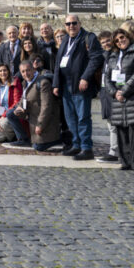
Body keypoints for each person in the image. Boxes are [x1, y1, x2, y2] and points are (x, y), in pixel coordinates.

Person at [52, 14, 103, 161]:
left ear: (80, 24)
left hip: (80, 84)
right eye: (68, 24)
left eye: (74, 23)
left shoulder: (89, 37)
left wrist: (85, 77)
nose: (71, 26)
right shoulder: (66, 39)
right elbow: (58, 63)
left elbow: (96, 58)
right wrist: (56, 83)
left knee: (83, 118)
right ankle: (76, 144)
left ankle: (86, 147)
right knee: (70, 118)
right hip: (65, 85)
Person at [105, 28, 134, 171]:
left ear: (129, 37)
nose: (120, 41)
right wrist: (114, 93)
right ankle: (125, 161)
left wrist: (124, 91)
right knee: (121, 131)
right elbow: (107, 77)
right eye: (117, 40)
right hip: (118, 98)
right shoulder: (113, 56)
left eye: (122, 37)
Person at [12, 60, 62, 152]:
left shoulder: (43, 83)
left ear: (33, 70)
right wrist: (18, 107)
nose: (26, 73)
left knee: (38, 147)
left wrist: (40, 125)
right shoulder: (25, 83)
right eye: (23, 71)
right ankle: (24, 138)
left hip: (45, 120)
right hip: (33, 118)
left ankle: (59, 138)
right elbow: (23, 99)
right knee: (11, 113)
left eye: (28, 70)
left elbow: (46, 106)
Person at [95, 31, 118, 163]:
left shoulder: (115, 55)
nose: (106, 44)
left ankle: (114, 151)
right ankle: (114, 149)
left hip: (113, 92)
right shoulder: (105, 56)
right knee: (110, 124)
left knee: (114, 124)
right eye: (103, 42)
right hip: (105, 92)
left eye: (108, 40)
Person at [0, 64, 22, 142]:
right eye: (0, 71)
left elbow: (17, 102)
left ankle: (17, 134)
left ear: (8, 71)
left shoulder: (15, 81)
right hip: (0, 115)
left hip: (12, 113)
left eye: (5, 70)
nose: (3, 72)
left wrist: (4, 116)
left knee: (3, 125)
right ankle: (12, 135)